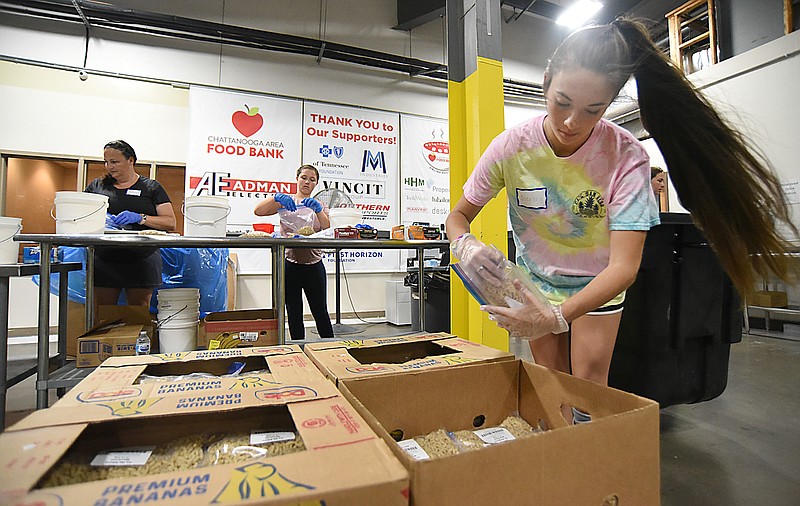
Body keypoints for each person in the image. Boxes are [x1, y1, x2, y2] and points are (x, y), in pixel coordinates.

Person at [446, 18, 796, 388]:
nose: (570, 121)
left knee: (589, 385)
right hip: (536, 283)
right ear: (546, 81)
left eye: (592, 110)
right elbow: (458, 215)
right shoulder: (511, 148)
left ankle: (590, 444)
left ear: (610, 103)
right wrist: (464, 243)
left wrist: (557, 317)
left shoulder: (626, 156)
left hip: (599, 283)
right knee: (551, 384)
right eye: (561, 102)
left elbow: (623, 268)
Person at [86, 140, 176, 310]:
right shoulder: (97, 187)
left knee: (139, 309)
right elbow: (81, 216)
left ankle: (138, 338)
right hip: (106, 258)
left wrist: (141, 218)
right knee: (102, 310)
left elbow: (170, 222)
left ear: (131, 160)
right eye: (106, 162)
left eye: (115, 162)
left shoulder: (151, 188)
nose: (109, 167)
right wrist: (100, 220)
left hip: (142, 258)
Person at [254, 164, 334, 340]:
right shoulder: (286, 202)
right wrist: (275, 198)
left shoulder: (319, 205)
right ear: (297, 179)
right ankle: (299, 349)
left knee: (320, 310)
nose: (307, 182)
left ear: (316, 184)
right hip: (290, 265)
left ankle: (331, 348)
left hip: (314, 265)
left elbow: (327, 228)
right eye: (304, 177)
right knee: (293, 311)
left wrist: (318, 210)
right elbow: (258, 211)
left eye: (312, 180)